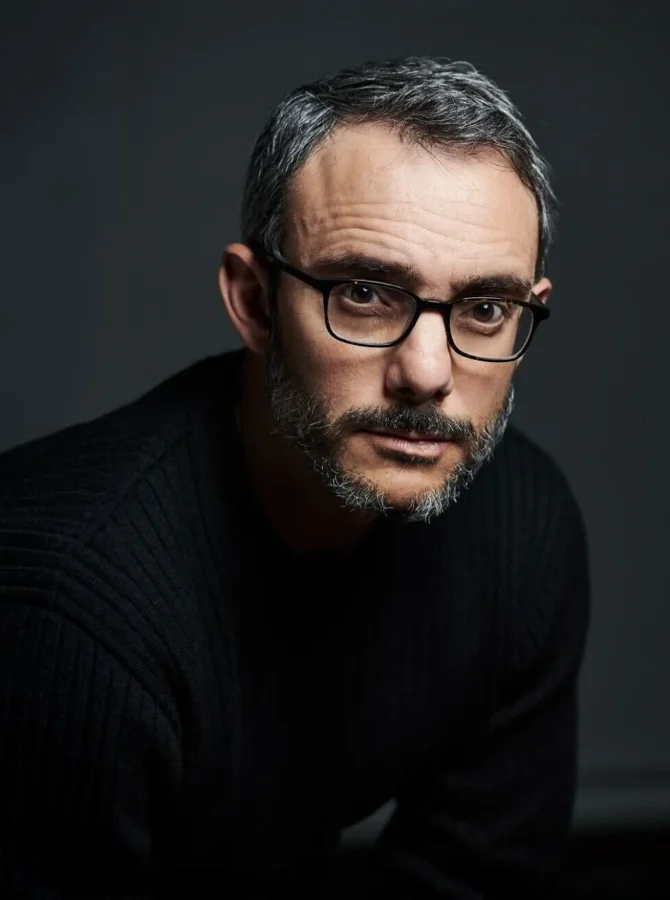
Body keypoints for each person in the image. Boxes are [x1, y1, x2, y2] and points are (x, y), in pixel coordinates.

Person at [0, 57, 590, 898]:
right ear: (254, 302)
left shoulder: (522, 527)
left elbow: (477, 879)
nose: (426, 372)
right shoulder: (60, 606)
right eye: (364, 293)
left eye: (486, 309)